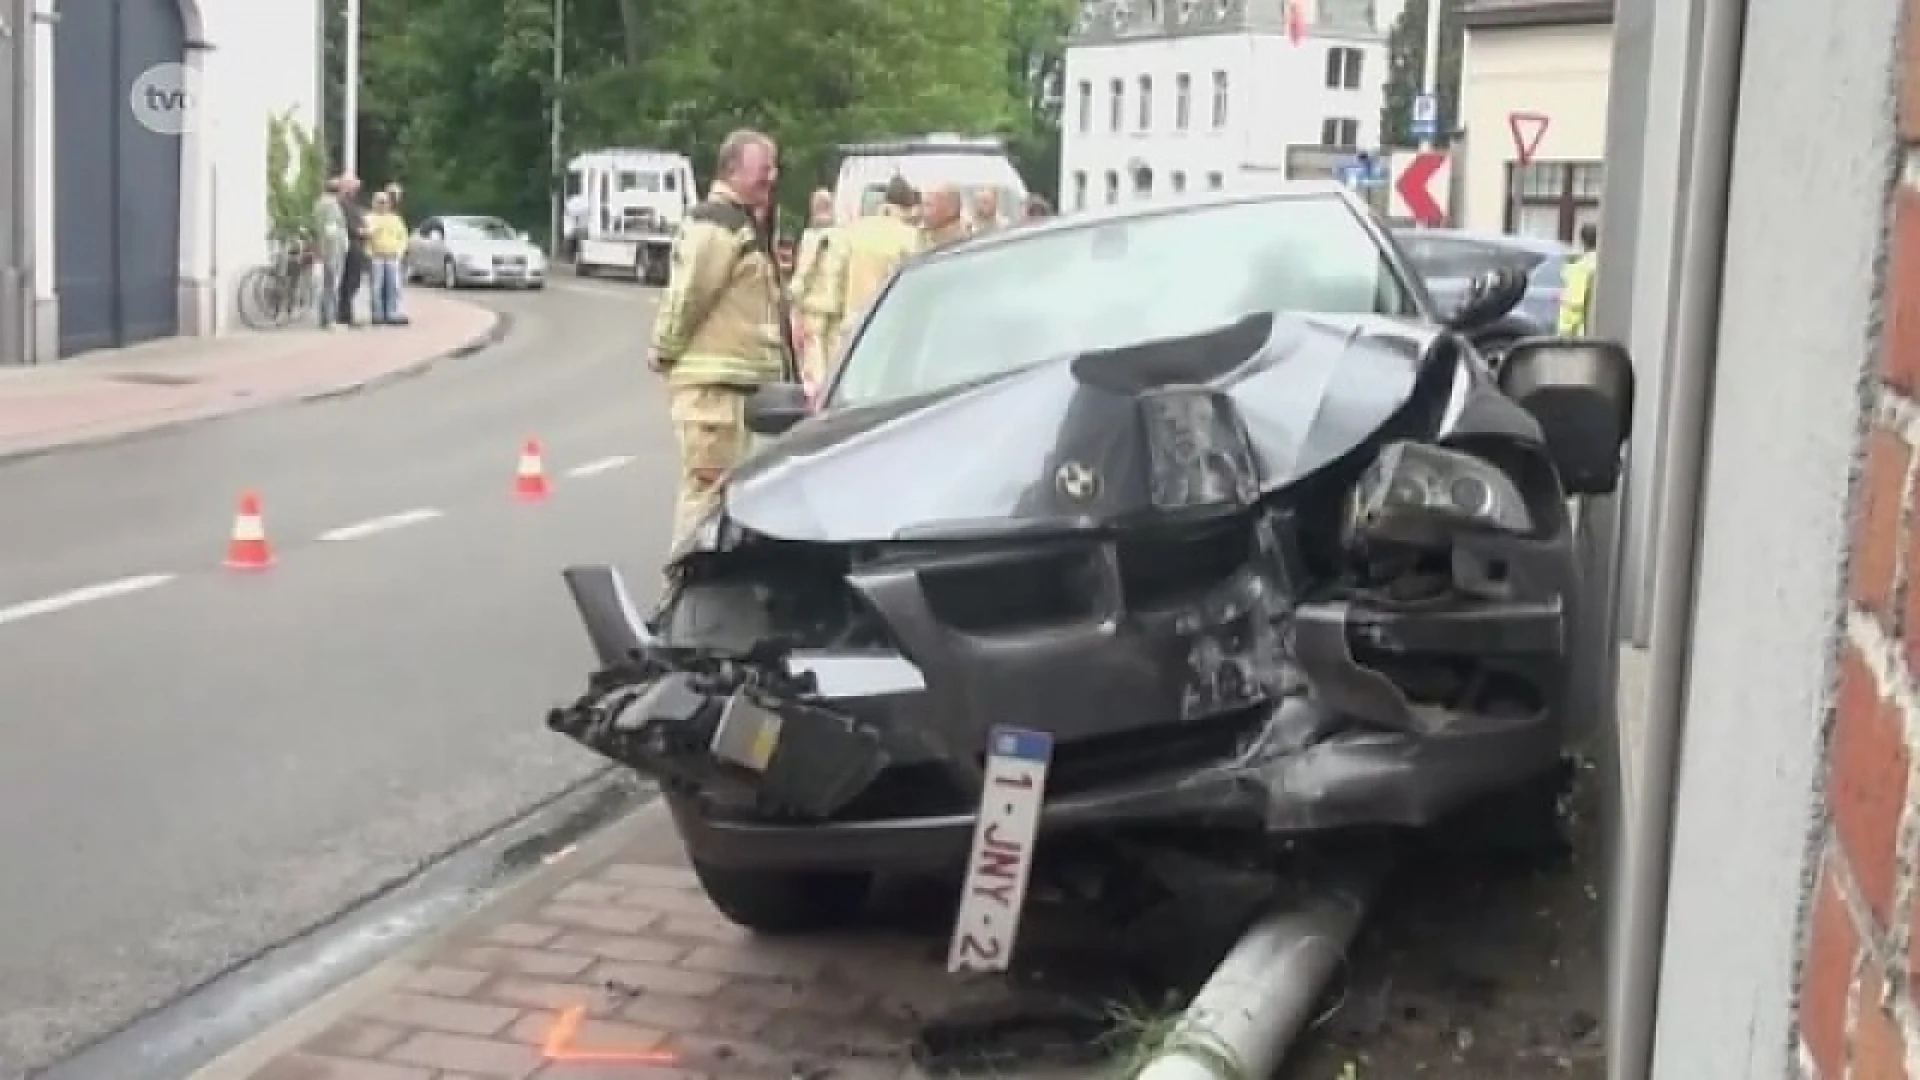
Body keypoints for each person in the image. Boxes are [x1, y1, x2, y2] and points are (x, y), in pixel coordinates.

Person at [649, 129, 788, 548]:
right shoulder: (717, 224)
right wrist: (664, 349)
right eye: (764, 168)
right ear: (732, 169)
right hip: (713, 395)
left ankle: (702, 598)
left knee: (724, 502)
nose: (772, 176)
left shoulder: (742, 224)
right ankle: (679, 598)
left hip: (733, 392)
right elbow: (689, 295)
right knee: (706, 502)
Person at [819, 175, 920, 359]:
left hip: (852, 329)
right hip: (889, 332)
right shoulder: (911, 238)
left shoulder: (854, 230)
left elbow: (835, 279)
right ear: (909, 207)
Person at [788, 188, 840, 390]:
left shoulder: (812, 237)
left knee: (815, 360)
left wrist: (791, 297)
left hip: (814, 305)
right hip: (835, 305)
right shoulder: (842, 237)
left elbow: (805, 271)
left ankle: (818, 395)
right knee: (834, 356)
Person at [366, 189, 410, 326]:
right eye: (379, 202)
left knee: (393, 286)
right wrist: (369, 253)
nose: (382, 205)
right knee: (377, 286)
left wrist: (400, 251)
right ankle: (377, 315)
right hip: (377, 257)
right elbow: (366, 238)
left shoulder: (395, 219)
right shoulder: (369, 218)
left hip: (392, 257)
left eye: (384, 202)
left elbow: (403, 236)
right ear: (374, 203)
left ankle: (392, 313)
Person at [334, 173, 370, 327]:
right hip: (352, 245)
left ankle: (346, 314)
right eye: (354, 188)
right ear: (346, 188)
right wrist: (361, 231)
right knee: (350, 281)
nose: (356, 191)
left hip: (357, 245)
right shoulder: (343, 204)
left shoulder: (351, 204)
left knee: (352, 281)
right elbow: (347, 225)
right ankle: (344, 316)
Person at [314, 177, 348, 329]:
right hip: (332, 250)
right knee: (331, 286)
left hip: (323, 248)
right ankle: (330, 320)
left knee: (326, 285)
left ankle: (324, 319)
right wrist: (334, 251)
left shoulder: (319, 204)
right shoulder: (332, 206)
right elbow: (331, 229)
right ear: (339, 191)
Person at [1558, 222, 1599, 336]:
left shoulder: (1576, 265)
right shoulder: (1601, 263)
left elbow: (1572, 301)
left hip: (1574, 320)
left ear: (1582, 240)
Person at [919, 184, 969, 249]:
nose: (922, 211)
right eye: (922, 205)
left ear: (951, 209)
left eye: (928, 205)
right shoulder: (924, 240)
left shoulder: (968, 242)